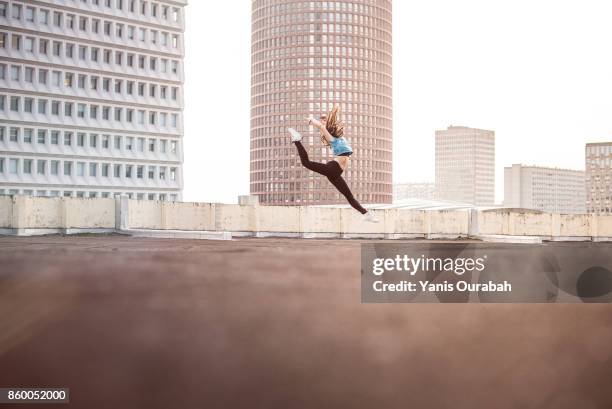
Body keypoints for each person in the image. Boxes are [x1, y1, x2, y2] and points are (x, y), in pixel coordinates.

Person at [288, 105, 379, 223]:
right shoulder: (333, 140)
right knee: (306, 163)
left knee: (349, 197)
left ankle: (366, 214)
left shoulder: (341, 139)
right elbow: (322, 127)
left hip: (336, 173)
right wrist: (313, 122)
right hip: (333, 168)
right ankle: (297, 140)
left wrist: (325, 121)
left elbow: (328, 126)